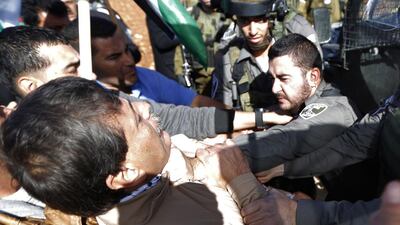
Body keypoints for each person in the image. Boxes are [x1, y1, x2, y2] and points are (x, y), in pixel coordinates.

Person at [2, 77, 270, 224]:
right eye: (138, 119)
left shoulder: (143, 169)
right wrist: (244, 185)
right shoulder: (203, 216)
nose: (146, 107)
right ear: (126, 172)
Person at [0, 25, 291, 140]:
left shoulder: (104, 103)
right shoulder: (24, 153)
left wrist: (261, 117)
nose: (89, 77)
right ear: (31, 87)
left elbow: (178, 117)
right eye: (73, 69)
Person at [239, 89, 400, 225]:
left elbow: (393, 213)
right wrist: (282, 168)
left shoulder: (335, 106)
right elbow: (351, 144)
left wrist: (298, 213)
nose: (275, 88)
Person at [233, 33, 358, 174]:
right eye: (273, 78)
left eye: (283, 78)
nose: (274, 88)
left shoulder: (335, 111)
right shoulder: (297, 101)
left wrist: (223, 152)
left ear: (313, 77)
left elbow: (288, 139)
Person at [87, 16, 227, 108]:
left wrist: (234, 118)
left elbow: (195, 102)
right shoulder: (87, 105)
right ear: (87, 64)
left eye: (127, 50)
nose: (129, 61)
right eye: (114, 57)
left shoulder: (145, 77)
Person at [214, 0, 320, 111]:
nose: (253, 31)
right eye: (245, 21)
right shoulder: (230, 59)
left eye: (260, 20)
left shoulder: (299, 39)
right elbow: (224, 114)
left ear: (271, 19)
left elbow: (317, 94)